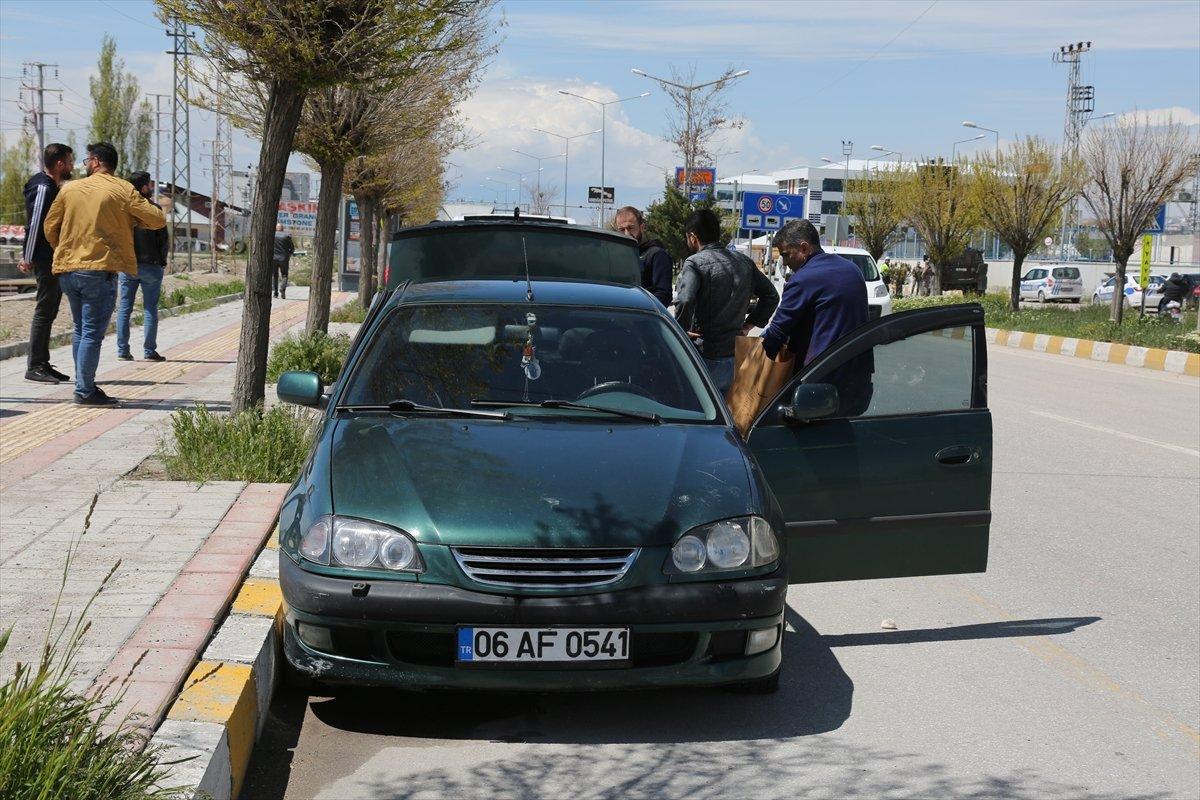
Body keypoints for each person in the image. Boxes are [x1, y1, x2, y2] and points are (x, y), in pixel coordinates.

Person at [43, 142, 166, 407]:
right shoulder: (123, 189)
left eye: (88, 159)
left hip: (68, 270)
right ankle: (85, 390)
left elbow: (50, 226)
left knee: (80, 329)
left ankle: (82, 384)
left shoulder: (69, 189)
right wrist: (133, 219)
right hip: (99, 270)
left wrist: (64, 248)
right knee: (90, 333)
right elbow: (157, 219)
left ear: (97, 161)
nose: (86, 163)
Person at [673, 209, 779, 394]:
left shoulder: (694, 263)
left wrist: (680, 331)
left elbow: (685, 299)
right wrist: (749, 325)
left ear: (692, 237)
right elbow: (771, 296)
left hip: (703, 354)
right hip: (735, 355)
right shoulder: (744, 261)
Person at [19, 142, 74, 384]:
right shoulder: (42, 187)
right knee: (44, 311)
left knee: (50, 310)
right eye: (70, 161)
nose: (72, 165)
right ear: (60, 163)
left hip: (51, 257)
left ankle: (42, 362)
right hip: (43, 258)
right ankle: (35, 365)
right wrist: (27, 256)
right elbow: (35, 224)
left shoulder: (51, 185)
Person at [115, 171, 169, 362]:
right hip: (151, 265)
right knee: (150, 309)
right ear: (144, 187)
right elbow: (163, 240)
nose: (152, 187)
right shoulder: (153, 210)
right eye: (150, 184)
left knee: (124, 308)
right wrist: (162, 261)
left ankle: (122, 350)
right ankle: (149, 351)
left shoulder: (124, 211)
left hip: (128, 266)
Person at [614, 205, 672, 306]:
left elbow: (663, 295)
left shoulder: (656, 255)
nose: (626, 234)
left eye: (631, 228)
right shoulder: (615, 256)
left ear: (642, 227)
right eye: (621, 230)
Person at [273, 222, 295, 298]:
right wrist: (289, 254)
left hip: (273, 258)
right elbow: (292, 248)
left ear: (276, 228)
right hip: (284, 259)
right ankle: (282, 288)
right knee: (284, 275)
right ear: (282, 229)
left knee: (275, 276)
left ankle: (275, 293)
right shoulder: (287, 236)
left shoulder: (272, 235)